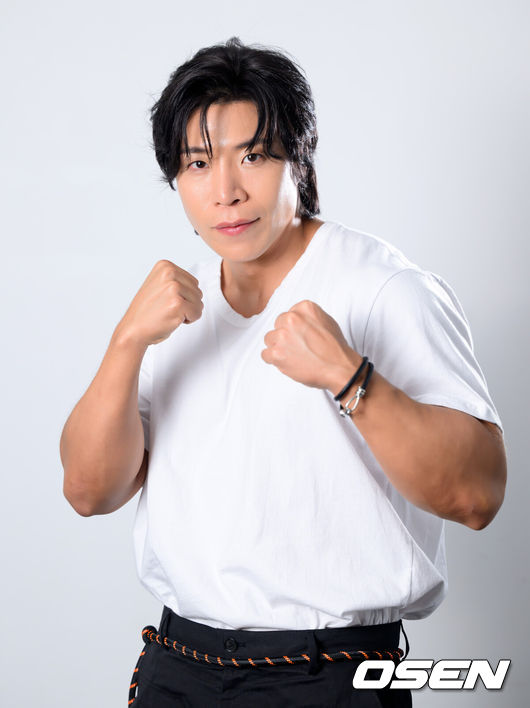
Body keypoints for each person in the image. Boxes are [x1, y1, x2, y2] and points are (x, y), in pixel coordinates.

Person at [59, 36, 507, 707]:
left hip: (329, 673)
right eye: (199, 163)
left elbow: (477, 495)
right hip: (179, 668)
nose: (227, 192)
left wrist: (352, 379)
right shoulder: (170, 309)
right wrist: (125, 344)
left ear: (299, 158)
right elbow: (89, 491)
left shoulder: (384, 289)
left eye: (254, 156)